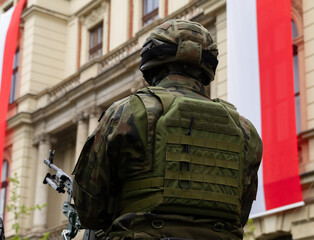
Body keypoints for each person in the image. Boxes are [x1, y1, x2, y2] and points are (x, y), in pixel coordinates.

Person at [72, 19, 263, 240]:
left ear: (152, 63)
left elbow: (89, 210)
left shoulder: (126, 113)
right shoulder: (245, 130)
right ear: (207, 66)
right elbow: (239, 214)